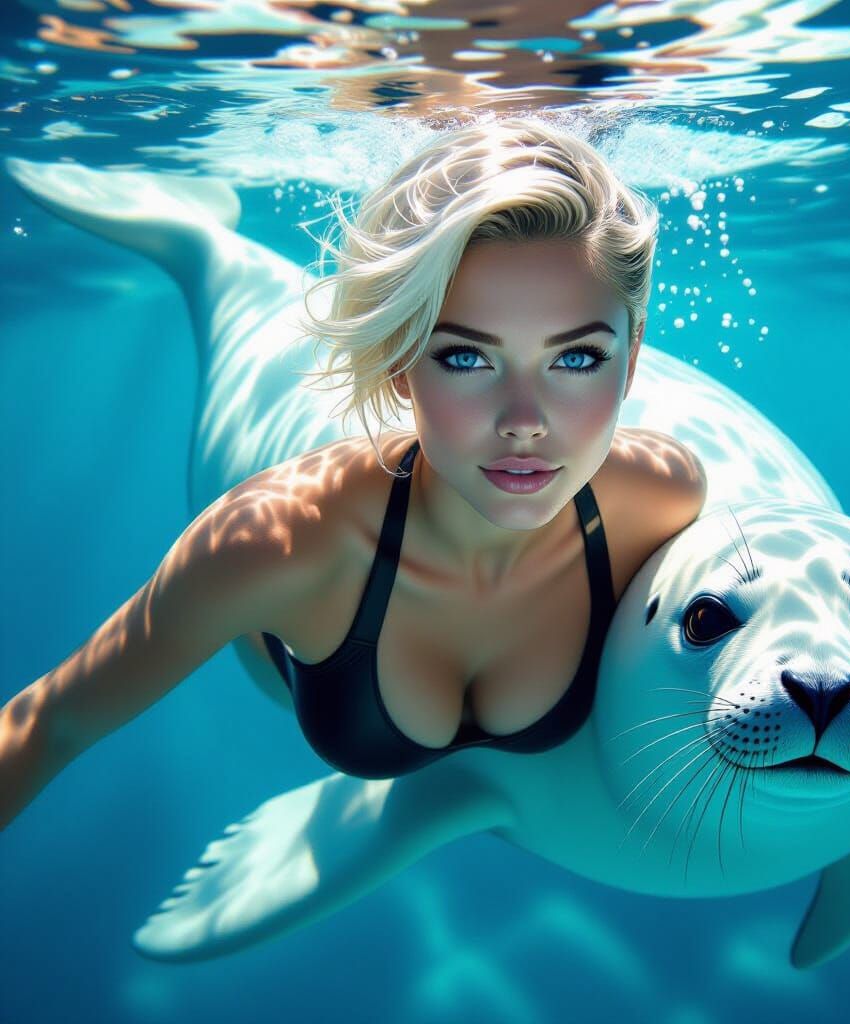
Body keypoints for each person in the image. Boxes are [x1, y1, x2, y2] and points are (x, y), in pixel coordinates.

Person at [0, 117, 706, 825]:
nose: (525, 420)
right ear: (400, 362)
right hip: (263, 475)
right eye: (465, 357)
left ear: (633, 356)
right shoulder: (269, 544)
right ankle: (194, 238)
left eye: (577, 358)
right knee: (223, 278)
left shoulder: (662, 495)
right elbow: (50, 723)